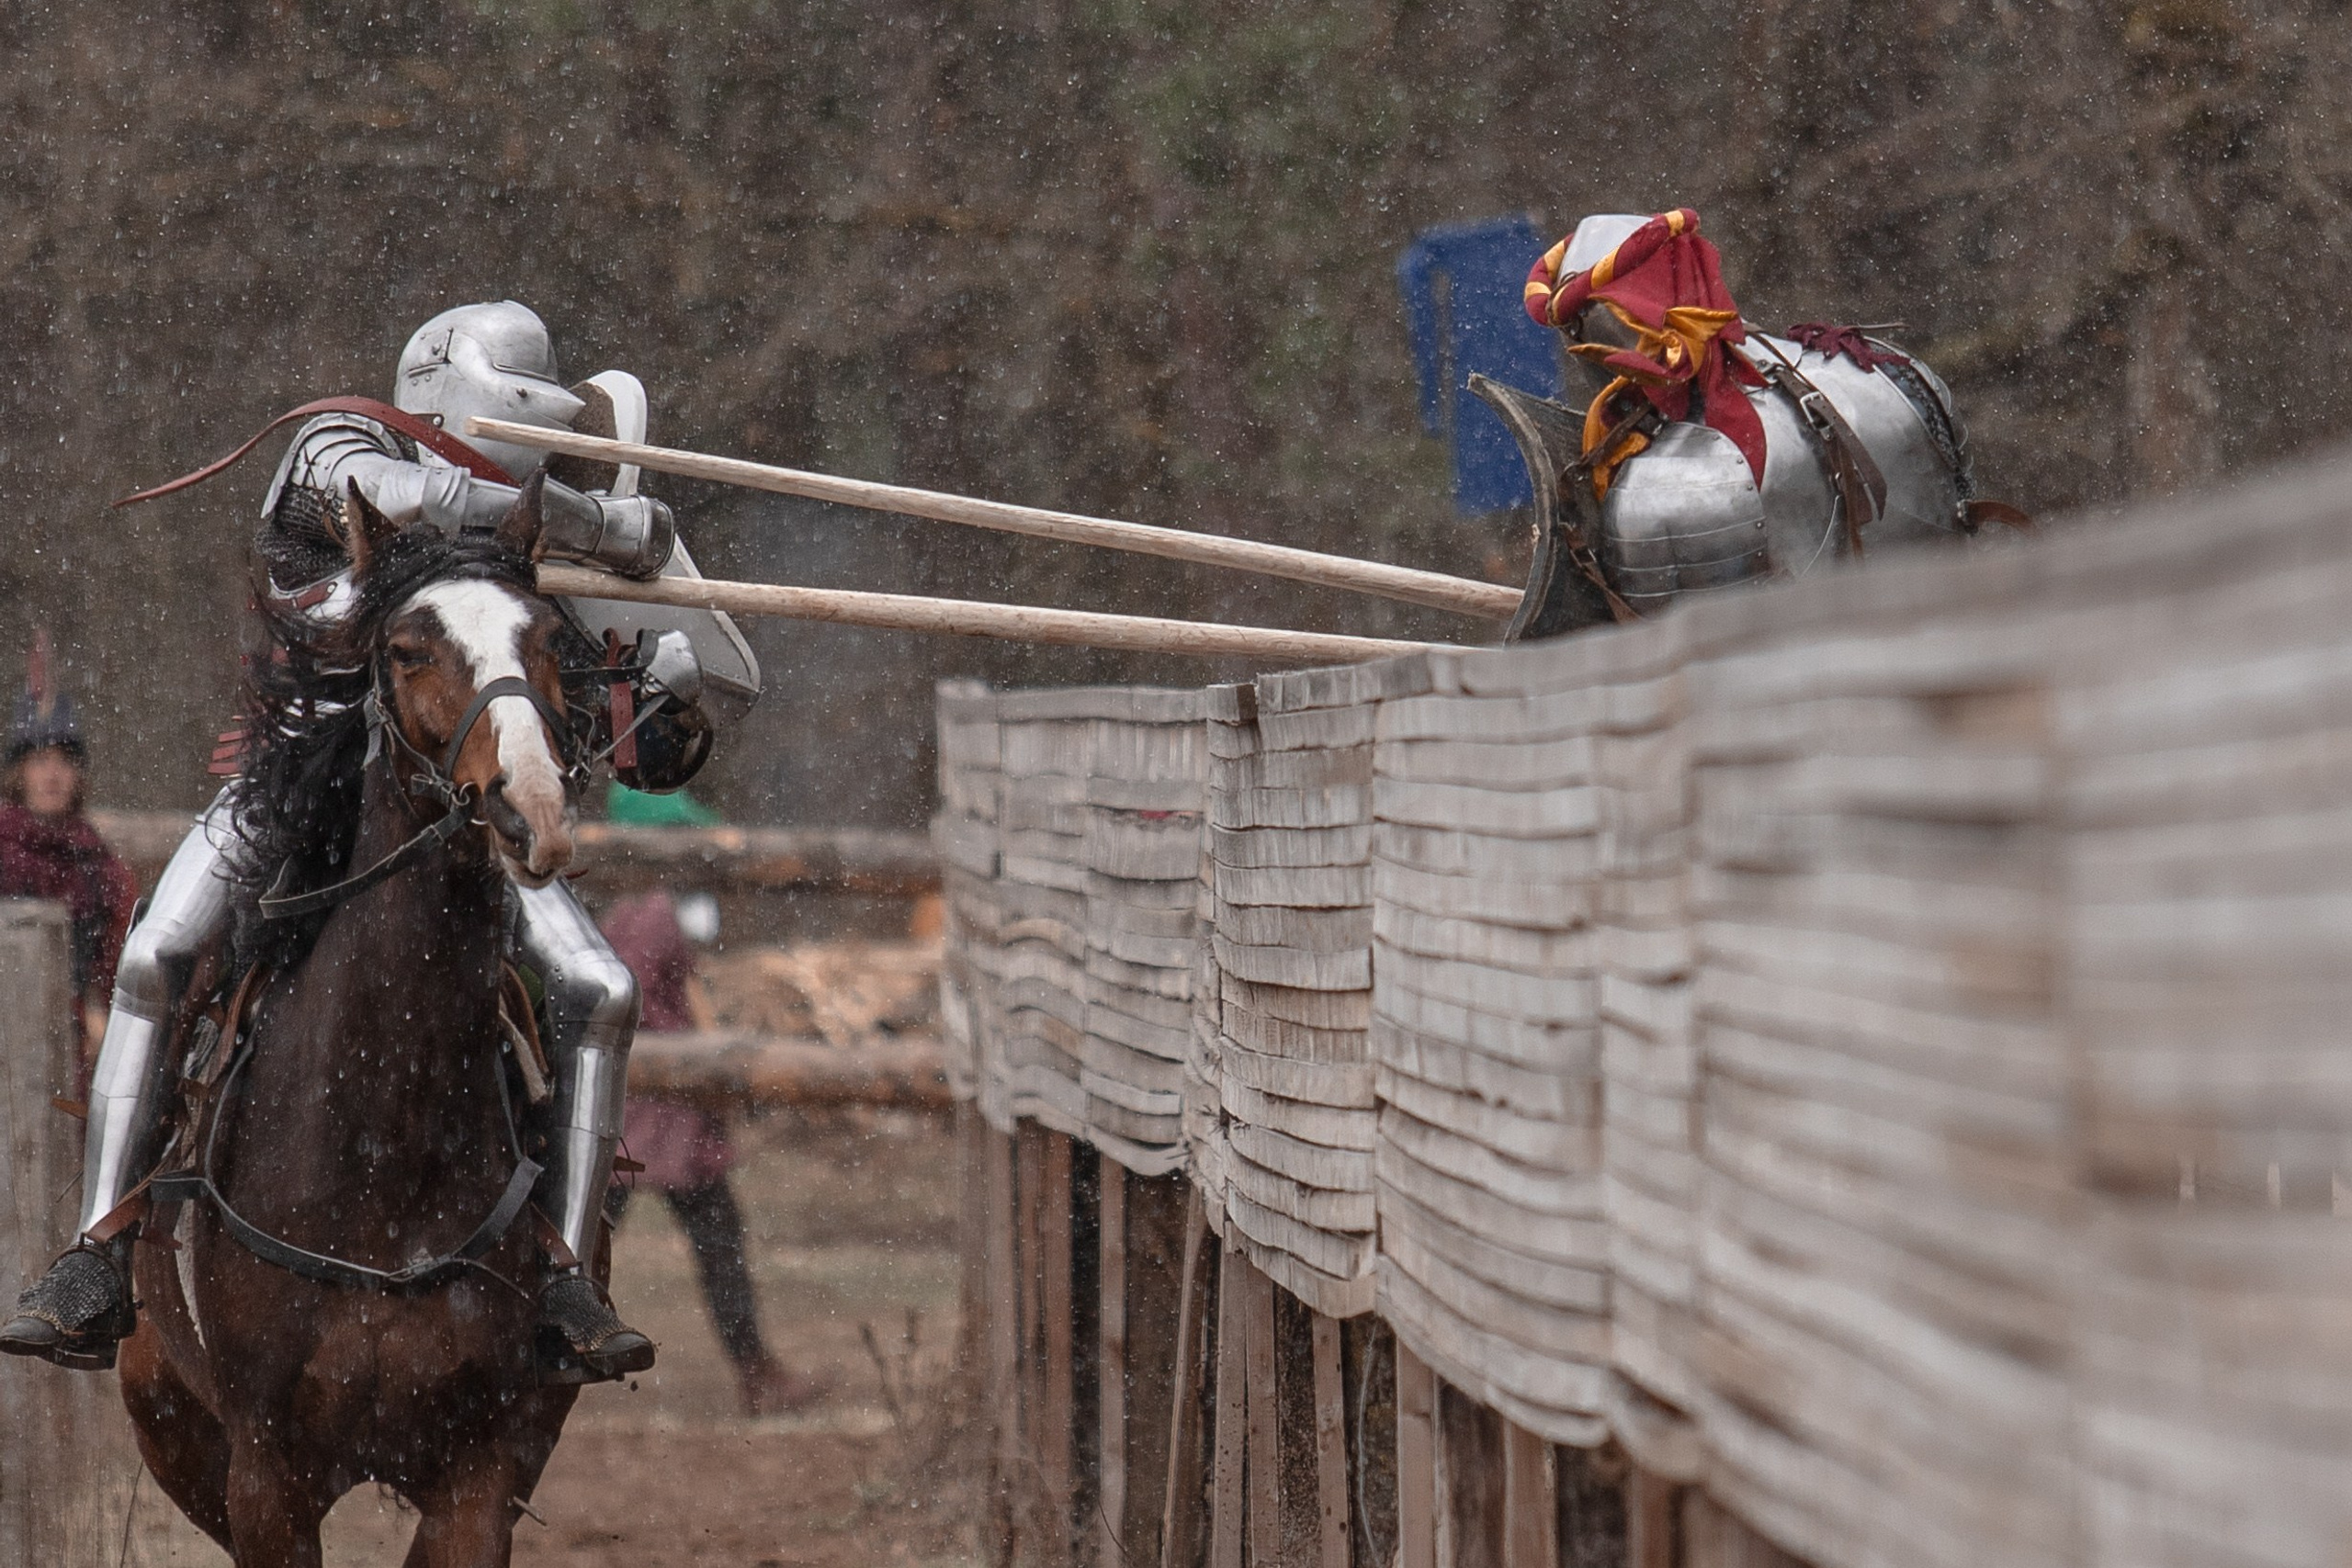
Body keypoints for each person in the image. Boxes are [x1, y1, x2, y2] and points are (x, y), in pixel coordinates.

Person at [1, 302, 763, 1381]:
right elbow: (426, 508)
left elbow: (667, 725)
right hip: (297, 790)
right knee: (156, 959)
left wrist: (662, 666)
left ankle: (563, 1275)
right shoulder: (345, 450)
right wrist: (602, 525)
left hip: (464, 821)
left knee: (599, 992)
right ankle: (96, 1254)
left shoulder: (530, 547)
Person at [596, 862, 831, 1416]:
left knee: (703, 1238)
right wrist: (699, 1058)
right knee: (595, 1246)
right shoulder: (649, 918)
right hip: (654, 1108)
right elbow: (637, 1002)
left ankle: (757, 1373)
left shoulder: (639, 911)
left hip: (654, 1109)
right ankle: (756, 1375)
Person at [0, 634, 137, 1061]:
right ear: (19, 773)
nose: (52, 775)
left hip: (76, 1049)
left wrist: (97, 1018)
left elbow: (117, 966)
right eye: (40, 761)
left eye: (63, 761)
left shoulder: (97, 864)